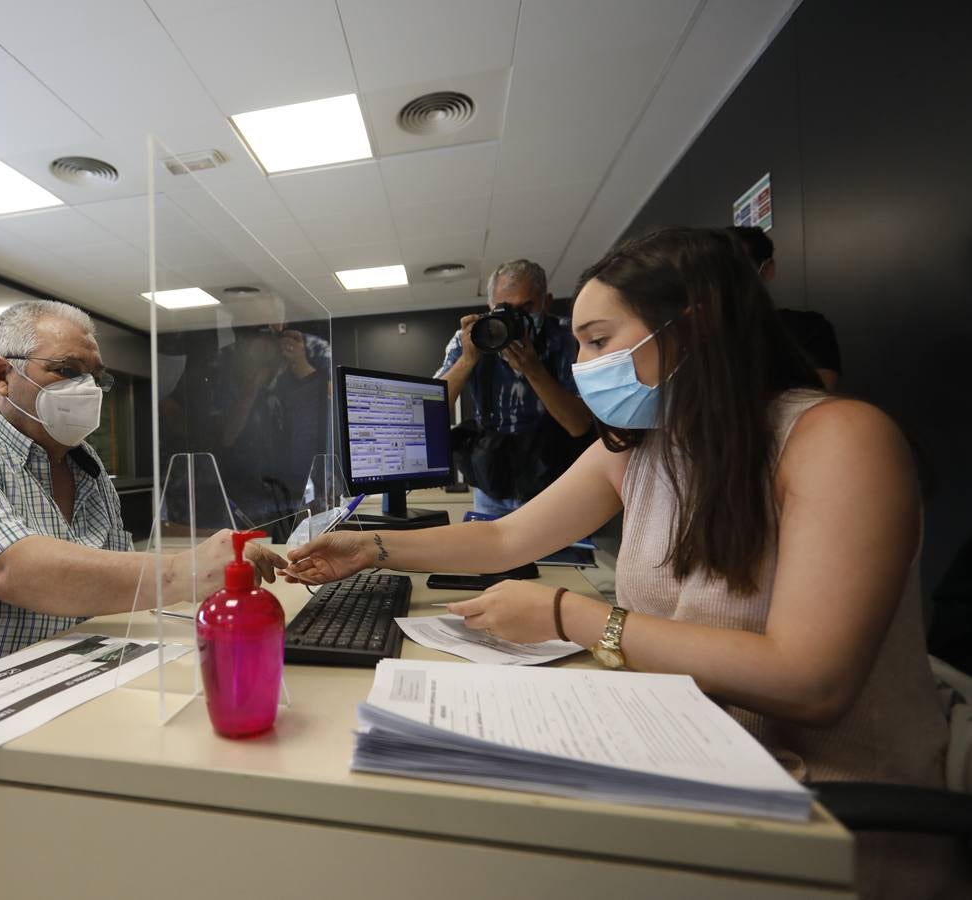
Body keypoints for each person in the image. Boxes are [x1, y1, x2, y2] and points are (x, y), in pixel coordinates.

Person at [288, 228, 962, 898]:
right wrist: (371, 548)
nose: (584, 365)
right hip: (692, 766)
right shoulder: (645, 448)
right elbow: (503, 540)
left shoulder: (839, 440)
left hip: (823, 824)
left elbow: (810, 682)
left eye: (600, 341)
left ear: (691, 330)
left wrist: (570, 615)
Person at [0, 300, 284, 715]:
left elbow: (116, 581)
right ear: (0, 374)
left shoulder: (83, 463)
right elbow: (11, 570)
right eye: (66, 370)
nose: (87, 388)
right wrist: (185, 570)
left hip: (49, 676)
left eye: (95, 376)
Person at [435, 259, 590, 516]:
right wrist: (467, 360)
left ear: (546, 302)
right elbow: (431, 410)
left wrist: (533, 369)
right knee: (489, 556)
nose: (514, 319)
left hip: (555, 486)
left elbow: (578, 425)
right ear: (490, 307)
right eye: (504, 309)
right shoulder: (472, 339)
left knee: (557, 556)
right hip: (492, 484)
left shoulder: (566, 338)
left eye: (526, 307)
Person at [727, 225, 843, 390]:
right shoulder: (699, 336)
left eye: (735, 269)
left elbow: (816, 400)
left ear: (766, 269)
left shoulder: (808, 329)